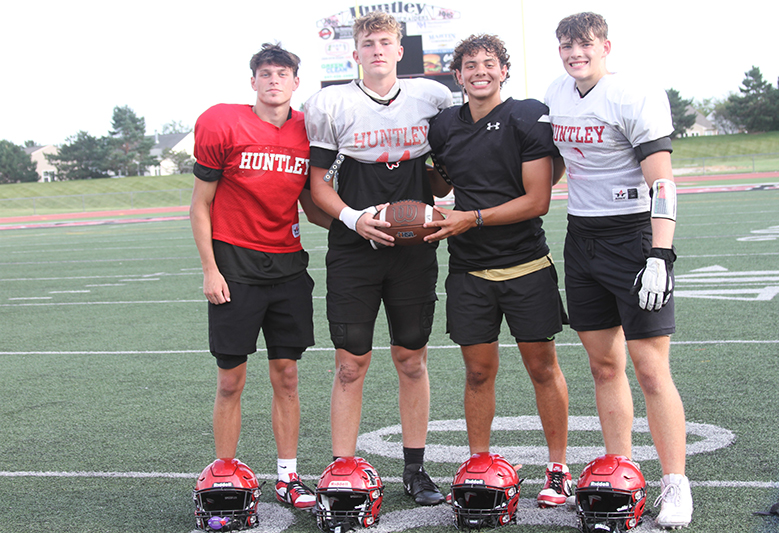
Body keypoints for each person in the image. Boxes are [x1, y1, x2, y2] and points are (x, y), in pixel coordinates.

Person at [544, 12, 692, 528]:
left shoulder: (634, 95)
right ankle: (620, 470)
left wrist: (660, 254)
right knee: (604, 367)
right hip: (582, 237)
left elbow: (664, 182)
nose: (574, 53)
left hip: (633, 238)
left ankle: (675, 483)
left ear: (606, 46)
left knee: (650, 368)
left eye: (583, 44)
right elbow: (555, 162)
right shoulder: (556, 93)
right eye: (566, 45)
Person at [303, 10, 452, 506]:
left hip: (413, 250)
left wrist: (443, 204)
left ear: (399, 49)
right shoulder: (331, 103)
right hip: (354, 250)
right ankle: (342, 470)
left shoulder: (430, 97)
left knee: (412, 358)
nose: (378, 51)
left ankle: (416, 470)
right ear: (356, 53)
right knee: (351, 363)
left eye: (386, 42)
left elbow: (445, 171)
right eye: (368, 44)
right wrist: (352, 219)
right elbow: (317, 184)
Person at [426, 34, 572, 508]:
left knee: (542, 367)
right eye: (470, 65)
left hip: (525, 263)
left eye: (489, 63)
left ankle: (557, 469)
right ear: (458, 74)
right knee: (477, 372)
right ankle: (480, 463)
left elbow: (538, 199)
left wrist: (474, 217)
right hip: (469, 268)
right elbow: (440, 178)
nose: (480, 71)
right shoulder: (444, 125)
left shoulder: (527, 115)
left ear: (503, 70)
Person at [190, 43, 331, 511]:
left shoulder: (309, 128)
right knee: (230, 379)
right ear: (253, 81)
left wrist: (357, 224)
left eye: (283, 74)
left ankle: (288, 477)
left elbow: (312, 204)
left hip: (288, 265)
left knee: (287, 376)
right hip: (236, 266)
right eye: (266, 74)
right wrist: (211, 269)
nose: (274, 81)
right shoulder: (222, 123)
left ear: (296, 82)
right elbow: (200, 204)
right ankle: (225, 472)